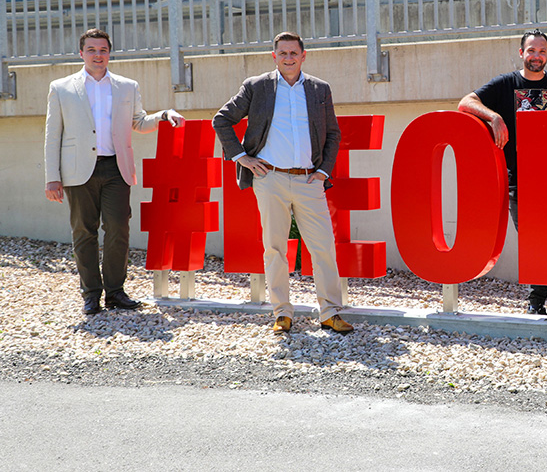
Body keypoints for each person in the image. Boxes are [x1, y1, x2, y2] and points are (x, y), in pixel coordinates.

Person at [213, 32, 352, 335]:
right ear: (274, 56)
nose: (288, 58)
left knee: (324, 247)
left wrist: (324, 171)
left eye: (294, 53)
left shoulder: (319, 90)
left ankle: (329, 312)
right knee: (275, 248)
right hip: (270, 178)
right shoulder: (257, 87)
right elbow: (221, 120)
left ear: (304, 56)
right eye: (283, 53)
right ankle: (282, 313)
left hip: (308, 179)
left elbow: (333, 134)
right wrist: (242, 158)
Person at [44, 28, 185, 315]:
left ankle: (116, 292)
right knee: (84, 231)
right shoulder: (61, 87)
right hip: (77, 170)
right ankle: (91, 294)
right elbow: (52, 134)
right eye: (92, 50)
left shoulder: (126, 86)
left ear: (110, 53)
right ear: (81, 53)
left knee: (118, 229)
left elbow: (139, 122)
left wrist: (164, 115)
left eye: (103, 50)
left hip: (116, 168)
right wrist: (52, 177)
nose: (98, 55)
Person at [458, 29, 547, 317]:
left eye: (541, 51)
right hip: (519, 179)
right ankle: (537, 300)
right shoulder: (505, 84)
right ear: (521, 53)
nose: (536, 56)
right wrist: (494, 116)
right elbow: (466, 102)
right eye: (531, 50)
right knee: (533, 240)